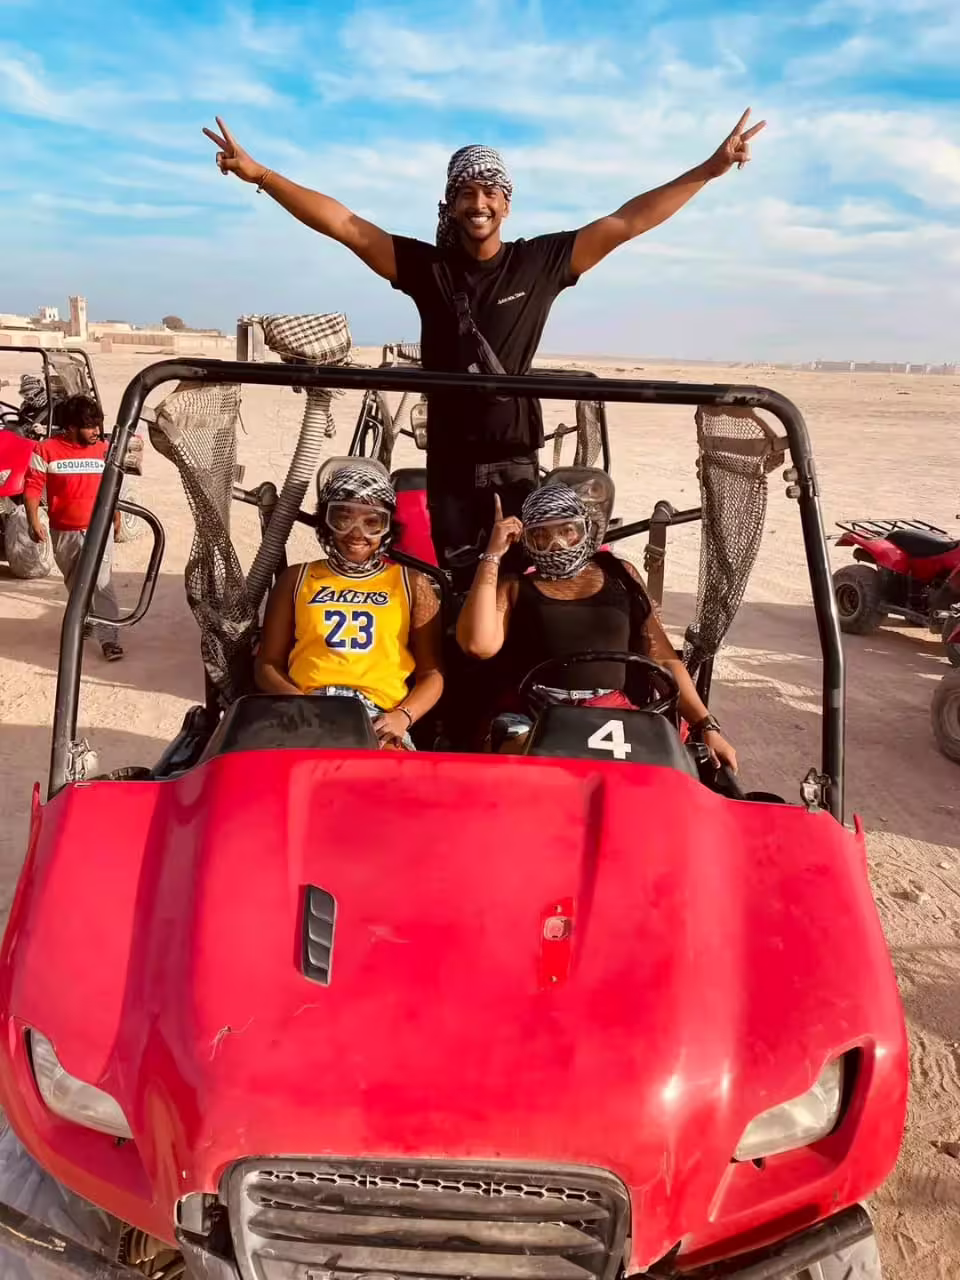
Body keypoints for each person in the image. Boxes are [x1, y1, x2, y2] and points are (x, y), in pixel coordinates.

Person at [202, 111, 766, 585]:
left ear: (507, 204)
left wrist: (710, 169)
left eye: (490, 191)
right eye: (466, 192)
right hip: (449, 462)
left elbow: (625, 222)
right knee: (453, 579)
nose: (479, 202)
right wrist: (262, 175)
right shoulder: (429, 268)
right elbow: (347, 225)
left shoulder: (539, 262)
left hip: (515, 459)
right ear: (450, 205)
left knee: (522, 578)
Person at [455, 484, 738, 770]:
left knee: (666, 777)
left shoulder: (620, 574)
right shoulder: (515, 586)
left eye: (567, 531)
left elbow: (663, 657)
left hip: (614, 714)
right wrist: (493, 555)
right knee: (527, 774)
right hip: (537, 715)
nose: (557, 545)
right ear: (526, 540)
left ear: (584, 529)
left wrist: (707, 724)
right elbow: (478, 645)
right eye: (542, 536)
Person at [254, 465, 443, 749]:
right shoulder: (297, 578)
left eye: (372, 522)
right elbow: (267, 664)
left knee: (386, 785)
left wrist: (403, 717)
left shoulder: (412, 583)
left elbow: (432, 674)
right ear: (326, 521)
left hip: (378, 716)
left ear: (388, 525)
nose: (357, 533)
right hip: (307, 706)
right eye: (343, 519)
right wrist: (298, 702)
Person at [23, 394, 124, 662]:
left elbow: (111, 486)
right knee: (76, 583)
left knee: (102, 583)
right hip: (63, 532)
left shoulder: (104, 449)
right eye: (89, 426)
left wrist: (116, 515)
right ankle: (85, 620)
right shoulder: (45, 450)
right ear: (70, 427)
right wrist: (33, 520)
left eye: (97, 425)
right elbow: (33, 486)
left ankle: (109, 639)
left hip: (97, 529)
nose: (96, 431)